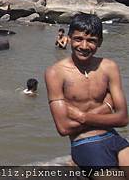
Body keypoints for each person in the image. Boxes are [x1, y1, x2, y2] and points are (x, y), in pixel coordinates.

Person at [45, 14, 129, 169]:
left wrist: (82, 116)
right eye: (78, 39)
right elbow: (63, 128)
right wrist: (107, 108)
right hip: (85, 143)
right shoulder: (55, 73)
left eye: (91, 41)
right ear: (69, 38)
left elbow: (123, 118)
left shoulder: (109, 67)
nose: (84, 46)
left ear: (100, 42)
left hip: (114, 138)